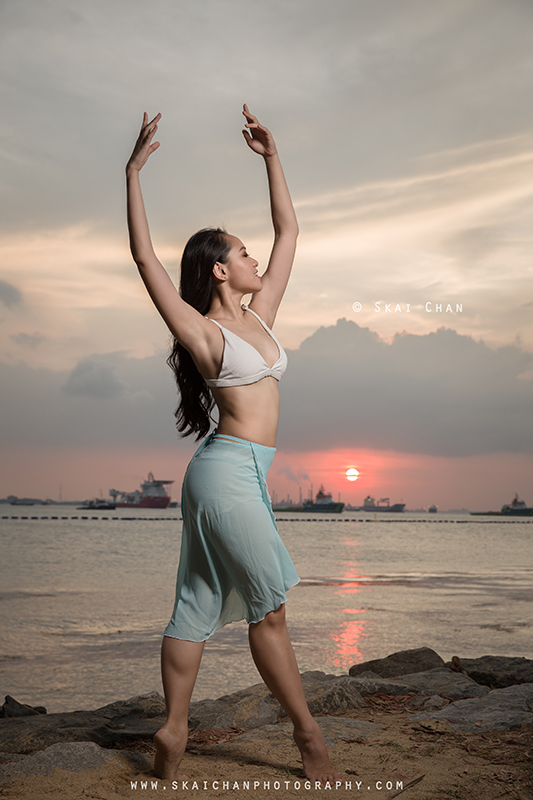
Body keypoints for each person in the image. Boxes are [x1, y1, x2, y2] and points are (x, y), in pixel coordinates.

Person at [126, 106, 338, 784]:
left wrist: (271, 158)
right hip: (223, 475)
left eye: (250, 251)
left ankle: (174, 729)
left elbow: (289, 229)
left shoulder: (260, 317)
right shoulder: (204, 334)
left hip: (246, 474)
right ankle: (310, 742)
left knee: (196, 598)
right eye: (240, 253)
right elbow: (143, 258)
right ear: (218, 271)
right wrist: (132, 173)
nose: (253, 258)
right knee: (268, 609)